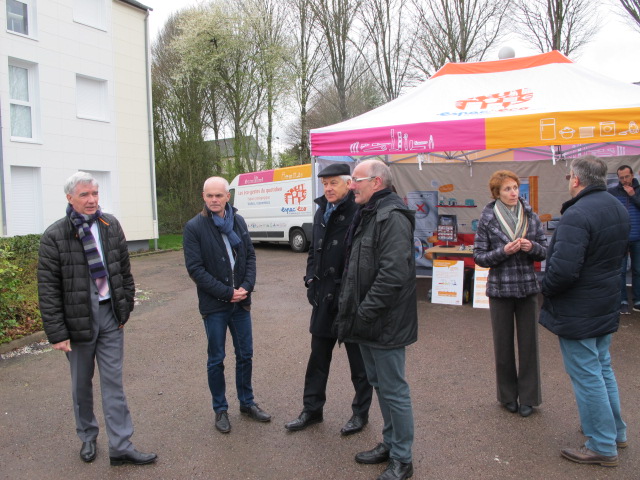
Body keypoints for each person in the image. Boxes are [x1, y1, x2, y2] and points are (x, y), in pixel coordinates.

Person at [37, 172, 157, 466]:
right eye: (84, 195)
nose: (92, 200)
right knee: (81, 385)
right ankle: (88, 437)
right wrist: (57, 333)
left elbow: (123, 270)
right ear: (70, 198)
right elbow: (48, 290)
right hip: (77, 322)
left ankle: (120, 445)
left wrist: (125, 306)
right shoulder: (55, 236)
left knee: (114, 383)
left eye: (95, 193)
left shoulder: (110, 225)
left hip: (110, 316)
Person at [540, 156, 628, 467]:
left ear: (576, 180)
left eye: (568, 178)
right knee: (602, 369)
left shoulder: (578, 214)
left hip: (580, 308)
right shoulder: (617, 206)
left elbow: (563, 271)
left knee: (588, 375)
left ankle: (603, 444)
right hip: (604, 302)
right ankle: (614, 431)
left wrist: (544, 287)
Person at [334, 159, 417, 480]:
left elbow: (393, 274)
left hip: (384, 321)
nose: (350, 185)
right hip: (367, 321)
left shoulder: (392, 217)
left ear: (376, 182)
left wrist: (364, 311)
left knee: (394, 390)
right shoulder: (369, 213)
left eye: (356, 180)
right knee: (381, 386)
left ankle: (403, 459)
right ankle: (390, 443)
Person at [285, 163, 373, 435]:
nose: (328, 188)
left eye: (333, 183)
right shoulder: (322, 210)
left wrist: (354, 294)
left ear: (349, 183)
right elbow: (314, 252)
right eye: (325, 183)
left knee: (359, 363)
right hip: (324, 298)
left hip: (349, 300)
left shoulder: (360, 211)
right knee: (317, 360)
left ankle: (360, 414)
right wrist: (310, 279)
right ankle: (312, 410)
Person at [183, 176, 271, 434]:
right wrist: (226, 292)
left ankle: (247, 403)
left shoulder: (239, 222)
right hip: (215, 306)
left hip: (241, 303)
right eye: (209, 196)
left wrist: (247, 286)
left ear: (227, 197)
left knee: (245, 355)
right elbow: (195, 269)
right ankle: (220, 409)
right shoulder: (194, 227)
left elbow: (250, 256)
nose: (213, 200)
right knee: (216, 359)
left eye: (218, 196)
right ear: (203, 196)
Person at [473, 170, 547, 418]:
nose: (514, 192)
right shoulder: (487, 219)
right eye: (507, 189)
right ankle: (507, 396)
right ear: (497, 193)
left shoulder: (531, 216)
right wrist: (503, 251)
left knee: (529, 346)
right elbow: (479, 257)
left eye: (515, 187)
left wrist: (531, 246)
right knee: (503, 345)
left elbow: (544, 251)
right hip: (500, 289)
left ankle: (528, 397)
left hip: (527, 288)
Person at [607, 165, 640, 314]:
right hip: (621, 237)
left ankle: (638, 300)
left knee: (638, 270)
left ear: (632, 175)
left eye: (627, 176)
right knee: (620, 270)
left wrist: (633, 195)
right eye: (621, 178)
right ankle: (622, 300)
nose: (625, 180)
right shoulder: (613, 192)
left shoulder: (638, 190)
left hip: (638, 237)